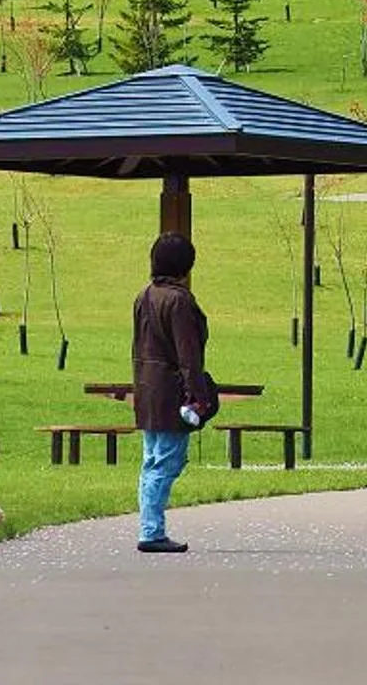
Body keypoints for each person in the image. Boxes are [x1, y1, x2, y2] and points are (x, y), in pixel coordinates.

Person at [131, 232, 216, 555]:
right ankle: (151, 531)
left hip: (147, 390)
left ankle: (150, 527)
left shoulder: (144, 296)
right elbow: (188, 354)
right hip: (172, 394)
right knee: (165, 463)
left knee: (152, 461)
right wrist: (197, 395)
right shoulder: (179, 301)